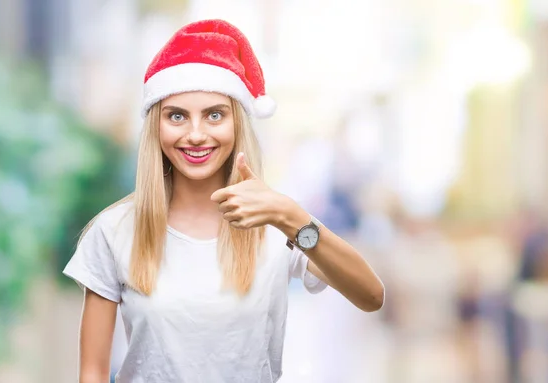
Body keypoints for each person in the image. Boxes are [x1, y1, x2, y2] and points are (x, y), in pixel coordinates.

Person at [63, 19, 385, 383]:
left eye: (214, 115)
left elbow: (371, 295)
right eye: (177, 116)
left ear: (237, 124)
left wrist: (291, 217)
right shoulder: (115, 231)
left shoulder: (276, 222)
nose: (196, 134)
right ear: (156, 125)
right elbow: (91, 372)